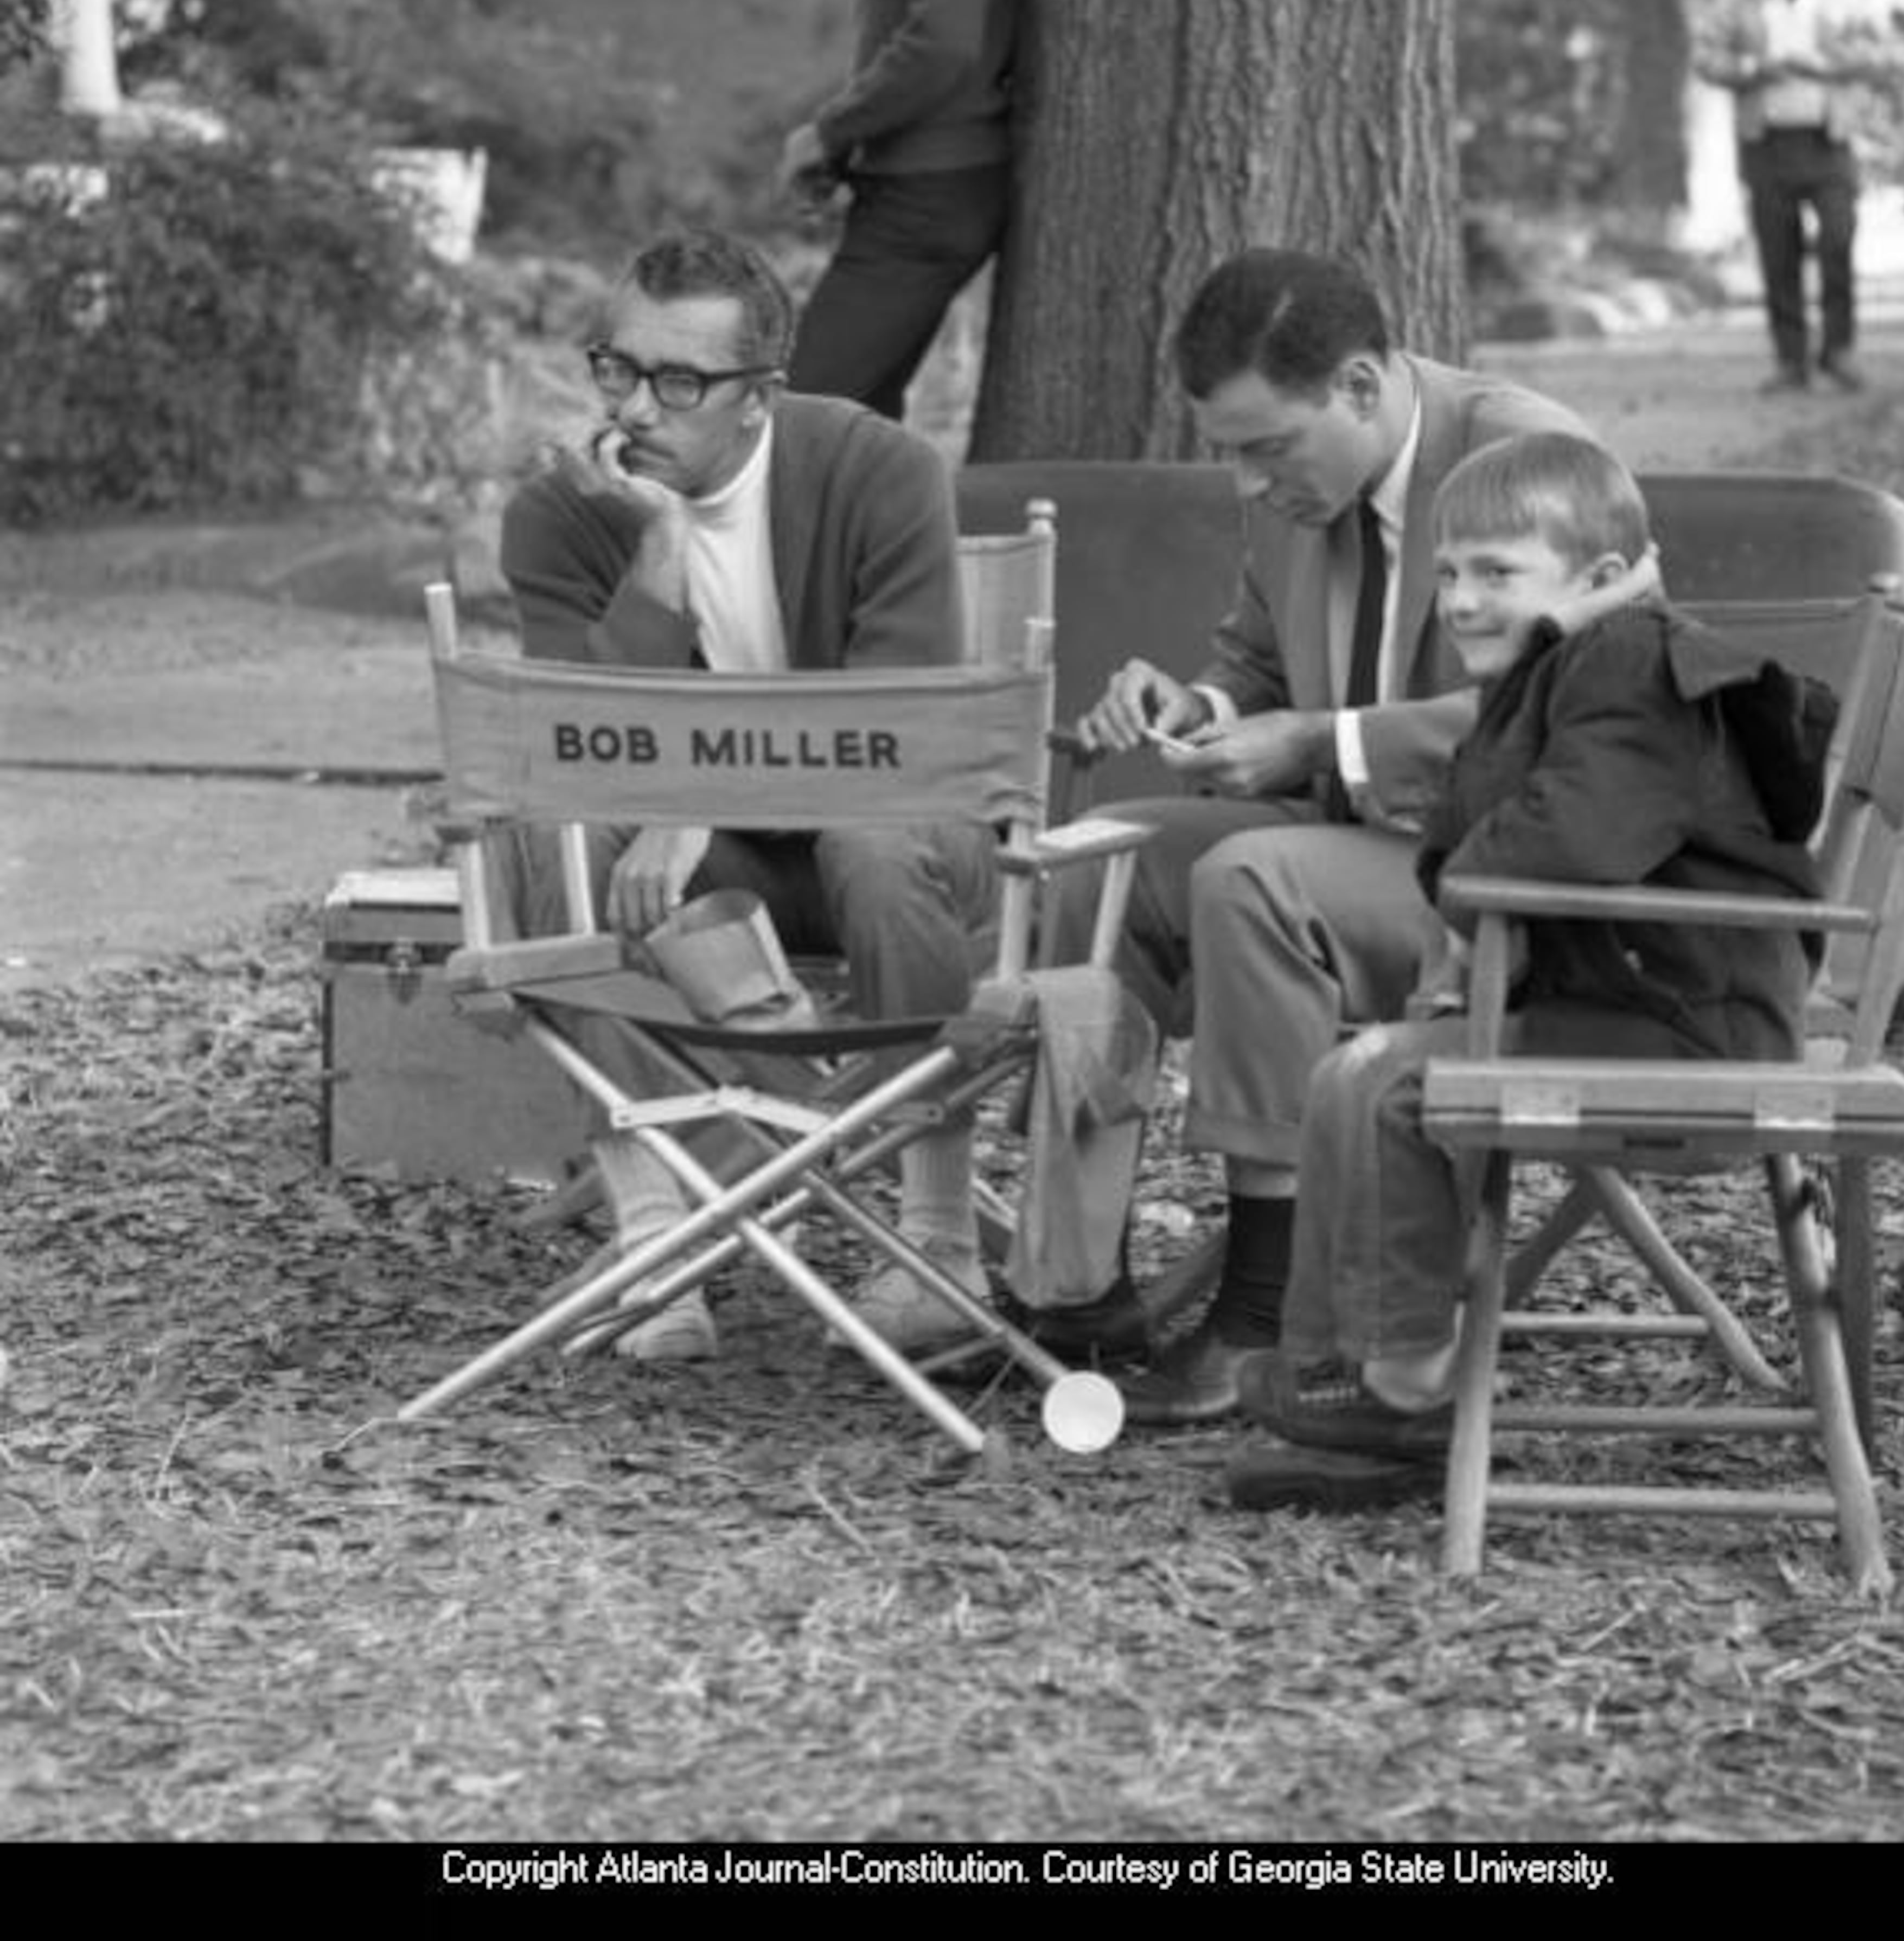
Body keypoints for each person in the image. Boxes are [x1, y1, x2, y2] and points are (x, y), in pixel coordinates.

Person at [1221, 431, 1830, 1512]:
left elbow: (1572, 840)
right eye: (1449, 572)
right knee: (1354, 1072)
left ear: (1600, 578)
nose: (1459, 599)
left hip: (1692, 1027)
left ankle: (1409, 1394)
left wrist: (1461, 902)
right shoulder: (1566, 662)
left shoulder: (1630, 661)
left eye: (1497, 573)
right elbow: (1490, 814)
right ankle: (1355, 1365)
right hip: (1639, 999)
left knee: (1391, 1081)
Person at [1053, 247, 1597, 1424]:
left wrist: (1319, 745)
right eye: (1228, 453)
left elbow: (1572, 704)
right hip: (1359, 843)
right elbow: (1256, 657)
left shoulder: (1523, 459)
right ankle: (1077, 1278)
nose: (1248, 484)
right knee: (1103, 850)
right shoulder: (1304, 491)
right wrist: (1199, 709)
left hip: (1512, 880)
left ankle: (1266, 1315)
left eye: (1265, 447)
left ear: (1360, 387)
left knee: (1255, 877)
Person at [500, 226, 998, 1362]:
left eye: (679, 382)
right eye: (617, 369)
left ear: (760, 397)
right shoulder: (562, 513)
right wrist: (659, 555)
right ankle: (658, 1242)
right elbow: (580, 745)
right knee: (559, 832)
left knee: (874, 842)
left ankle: (935, 1239)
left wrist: (693, 802)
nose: (634, 410)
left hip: (892, 838)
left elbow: (898, 738)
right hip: (723, 884)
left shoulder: (882, 471)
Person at [775, 0, 1019, 423]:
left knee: (795, 423)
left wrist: (830, 131)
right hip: (915, 190)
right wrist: (841, 149)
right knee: (859, 429)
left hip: (929, 197)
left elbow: (944, 46)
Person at [1696, 0, 1895, 395]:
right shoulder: (1744, 5)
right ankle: (1791, 360)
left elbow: (1877, 55)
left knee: (1838, 240)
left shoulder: (1844, 2)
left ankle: (1838, 351)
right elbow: (1706, 57)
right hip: (1769, 142)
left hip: (1830, 140)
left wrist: (1826, 67)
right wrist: (1753, 70)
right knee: (1777, 252)